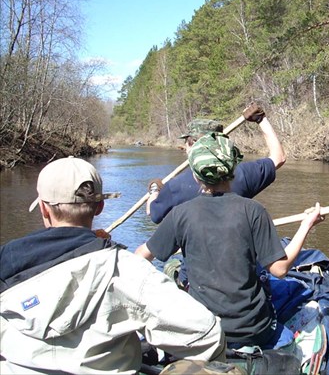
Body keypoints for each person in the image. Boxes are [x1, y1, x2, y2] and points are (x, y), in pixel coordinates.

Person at [0, 157, 225, 374]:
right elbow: (207, 334)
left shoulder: (6, 262)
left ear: (43, 208)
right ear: (100, 207)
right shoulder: (127, 269)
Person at [135, 133, 324, 350]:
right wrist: (306, 225)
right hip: (254, 330)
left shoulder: (180, 214)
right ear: (233, 170)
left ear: (196, 177)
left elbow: (141, 257)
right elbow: (280, 269)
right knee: (292, 315)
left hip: (204, 329)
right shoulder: (254, 211)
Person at [146, 102, 286, 223]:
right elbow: (279, 158)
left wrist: (155, 190)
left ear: (192, 145)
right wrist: (261, 119)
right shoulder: (242, 174)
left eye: (186, 143)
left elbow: (153, 215)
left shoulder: (175, 187)